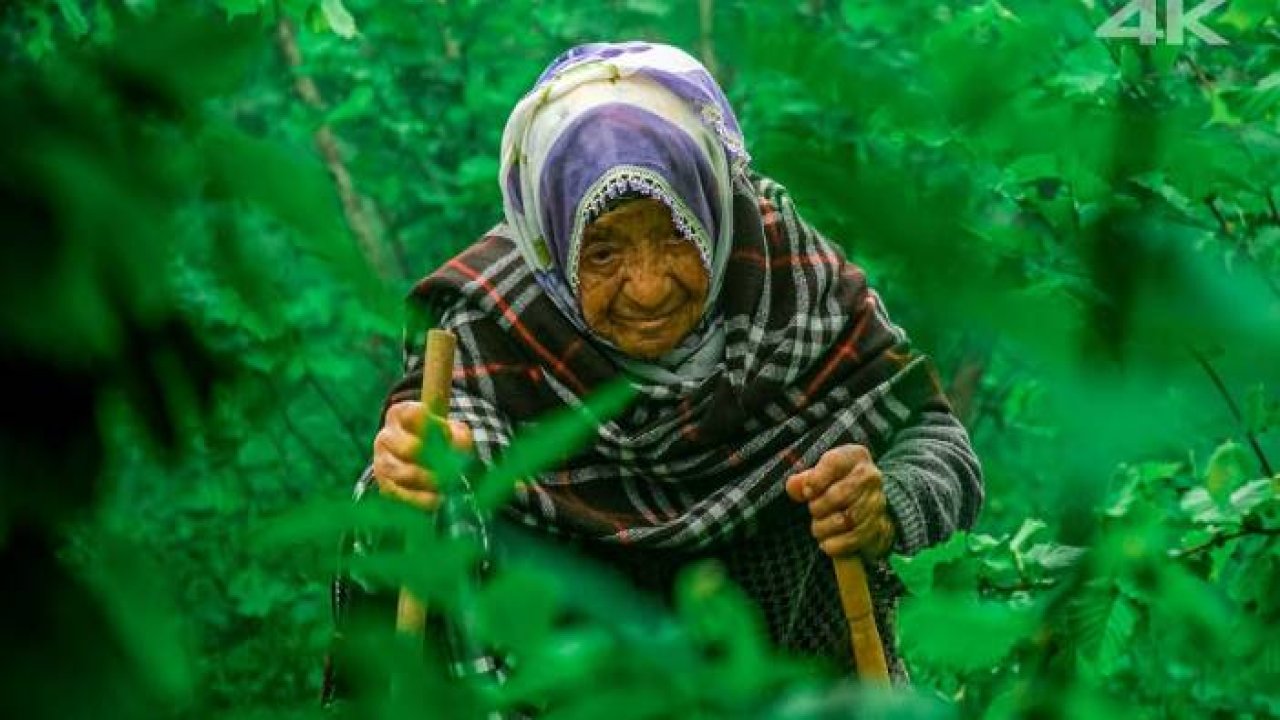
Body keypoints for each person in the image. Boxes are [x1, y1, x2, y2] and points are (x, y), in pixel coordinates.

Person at [327, 41, 982, 699]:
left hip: (797, 682)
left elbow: (939, 444)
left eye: (675, 235)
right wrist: (411, 477)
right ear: (552, 243)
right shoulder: (497, 320)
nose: (647, 289)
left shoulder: (790, 278)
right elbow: (410, 486)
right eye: (604, 252)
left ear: (713, 210)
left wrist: (886, 503)